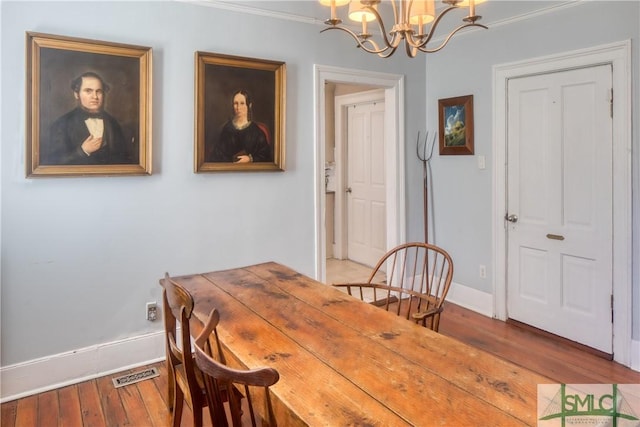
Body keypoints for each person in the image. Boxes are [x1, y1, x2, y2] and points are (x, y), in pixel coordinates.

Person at [41, 71, 131, 165]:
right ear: (76, 94)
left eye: (99, 91)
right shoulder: (62, 124)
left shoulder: (112, 123)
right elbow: (53, 163)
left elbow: (124, 159)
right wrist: (83, 151)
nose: (95, 97)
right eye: (88, 91)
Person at [208, 89, 272, 163]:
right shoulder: (226, 129)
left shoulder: (256, 132)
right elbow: (217, 156)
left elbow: (266, 155)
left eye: (242, 103)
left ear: (249, 106)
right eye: (235, 103)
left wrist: (250, 159)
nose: (238, 107)